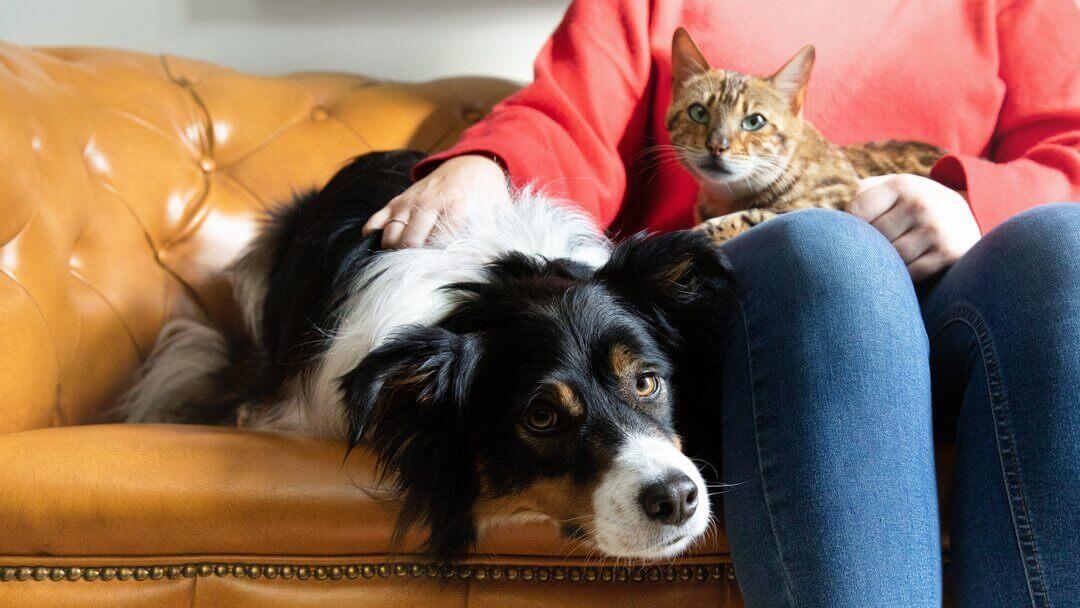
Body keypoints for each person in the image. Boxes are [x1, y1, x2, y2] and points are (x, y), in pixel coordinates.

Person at [363, 1, 1080, 606]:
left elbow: (1068, 145)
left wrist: (967, 201)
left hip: (967, 289)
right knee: (827, 254)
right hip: (780, 297)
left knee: (1060, 243)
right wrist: (483, 164)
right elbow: (569, 113)